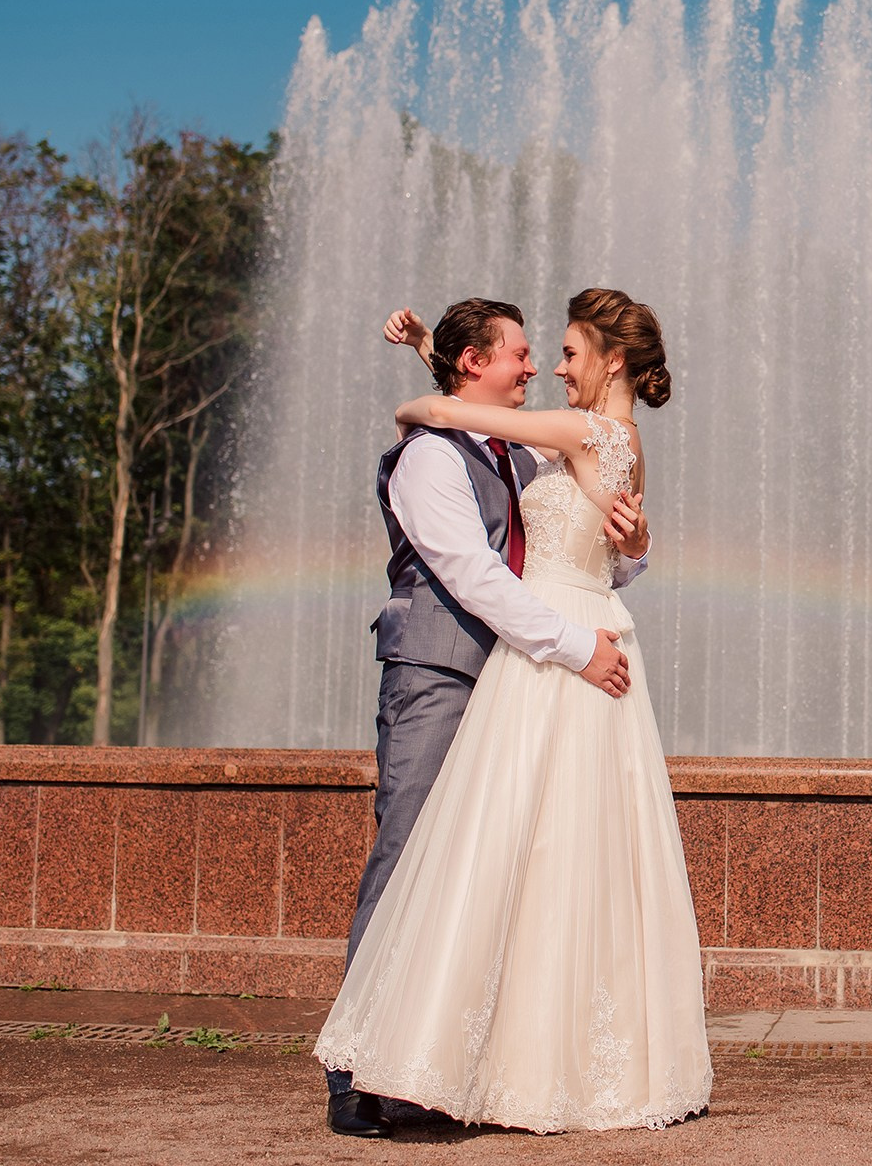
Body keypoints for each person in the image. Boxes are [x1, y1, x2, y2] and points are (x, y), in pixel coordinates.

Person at [315, 287, 712, 1134]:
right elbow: (474, 573)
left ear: (608, 360)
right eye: (525, 353)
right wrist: (426, 369)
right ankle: (360, 1075)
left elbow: (593, 549)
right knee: (417, 853)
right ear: (475, 364)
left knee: (522, 859)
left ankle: (482, 1058)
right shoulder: (435, 457)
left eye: (559, 352)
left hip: (536, 664)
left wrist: (633, 544)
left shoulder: (534, 450)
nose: (540, 366)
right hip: (452, 668)